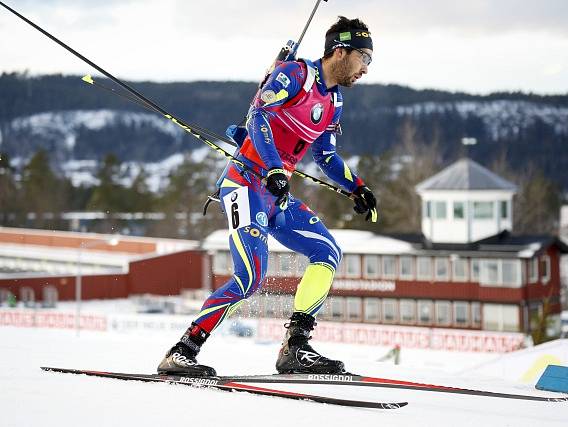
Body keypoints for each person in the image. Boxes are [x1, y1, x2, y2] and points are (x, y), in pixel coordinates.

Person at [158, 16, 378, 376]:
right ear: (340, 51)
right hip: (245, 185)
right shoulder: (294, 75)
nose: (366, 69)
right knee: (250, 278)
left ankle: (295, 347)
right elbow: (260, 114)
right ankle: (182, 351)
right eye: (364, 58)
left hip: (277, 194)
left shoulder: (334, 100)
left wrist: (359, 187)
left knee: (327, 251)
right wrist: (274, 167)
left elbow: (326, 156)